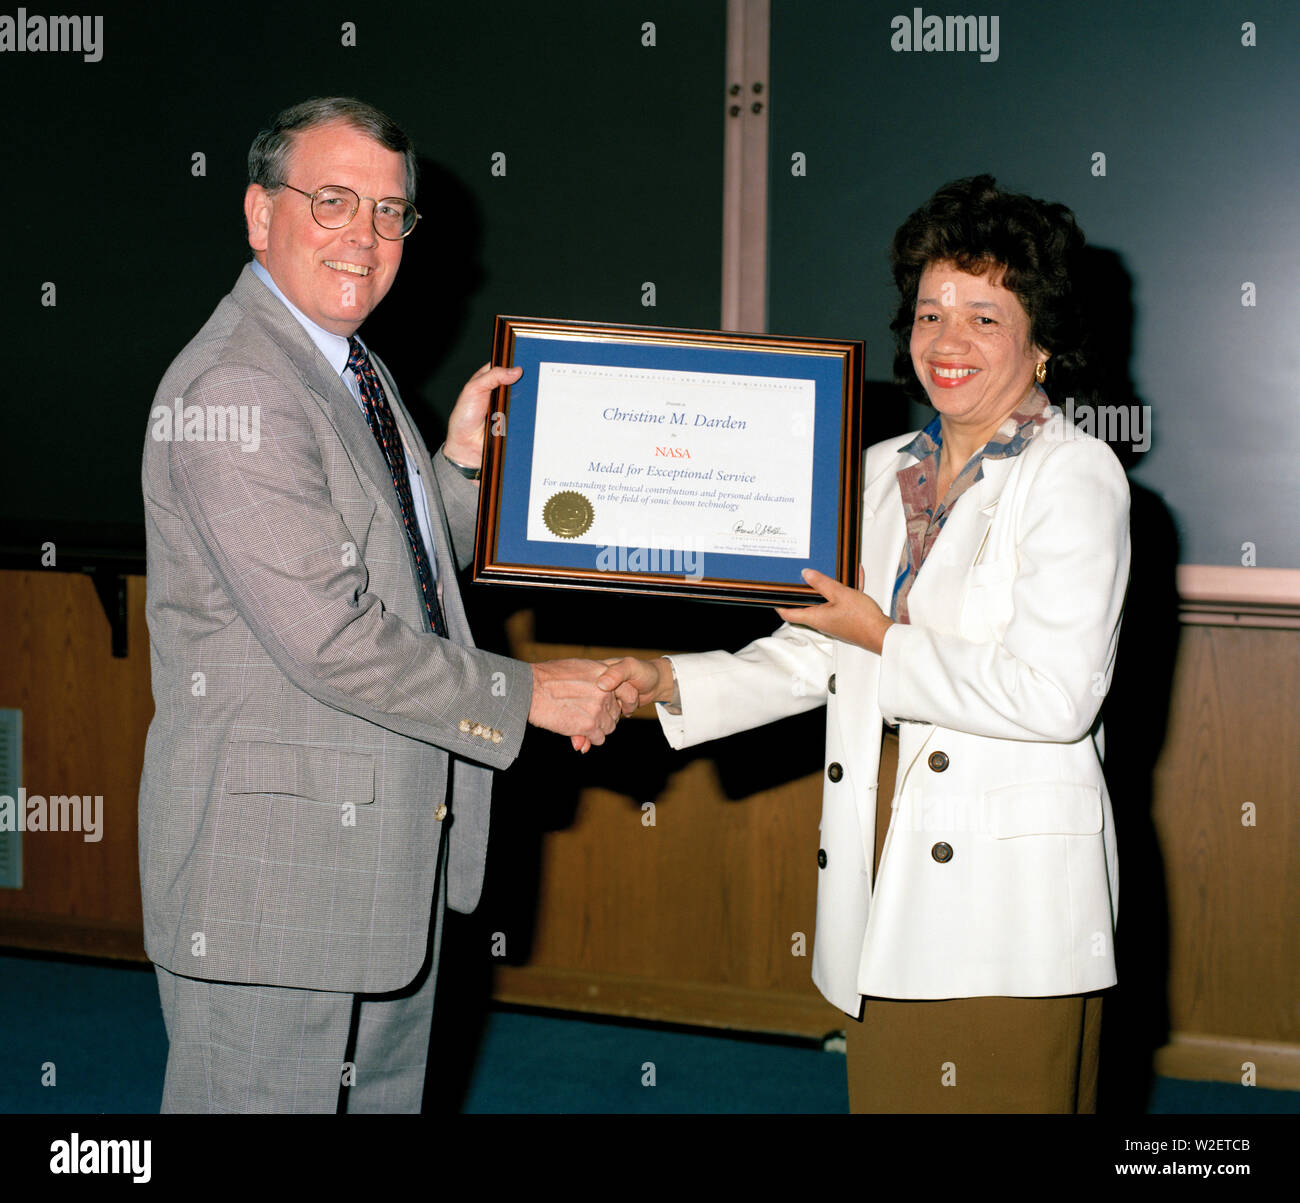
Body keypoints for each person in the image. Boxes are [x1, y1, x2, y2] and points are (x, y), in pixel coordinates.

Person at [139, 97, 634, 1113]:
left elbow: (393, 570)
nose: (363, 236)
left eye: (388, 212)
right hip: (275, 884)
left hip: (380, 861)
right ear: (256, 213)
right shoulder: (241, 384)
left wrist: (450, 467)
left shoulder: (346, 365)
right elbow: (330, 638)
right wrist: (529, 696)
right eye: (331, 201)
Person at [602, 175, 1131, 1113]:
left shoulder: (1075, 474)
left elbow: (1054, 697)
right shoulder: (878, 472)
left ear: (1042, 342)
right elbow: (817, 654)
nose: (947, 341)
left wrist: (883, 637)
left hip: (1006, 904)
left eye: (984, 316)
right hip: (880, 874)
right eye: (930, 314)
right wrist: (665, 683)